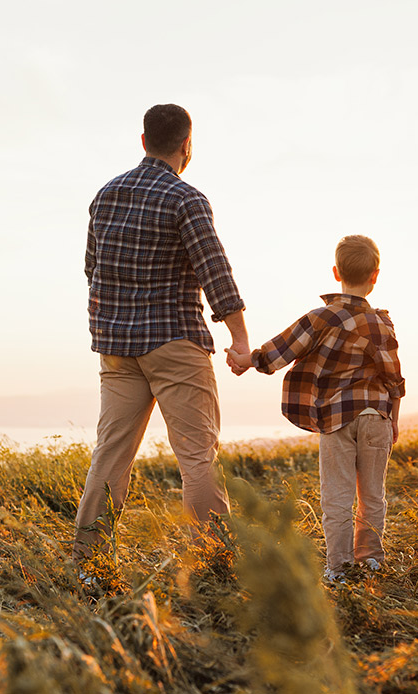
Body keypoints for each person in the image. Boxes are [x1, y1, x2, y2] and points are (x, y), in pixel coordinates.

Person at [75, 104, 249, 568]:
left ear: (143, 140)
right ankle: (214, 562)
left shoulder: (106, 195)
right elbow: (216, 273)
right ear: (186, 146)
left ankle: (88, 564)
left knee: (109, 455)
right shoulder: (185, 198)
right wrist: (240, 339)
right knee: (197, 456)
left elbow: (92, 268)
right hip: (174, 341)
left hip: (116, 347)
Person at [227, 236, 405, 583]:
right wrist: (393, 419)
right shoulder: (382, 323)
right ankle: (370, 560)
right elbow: (394, 377)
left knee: (337, 498)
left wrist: (246, 360)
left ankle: (338, 567)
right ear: (376, 276)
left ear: (336, 272)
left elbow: (281, 349)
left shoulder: (321, 317)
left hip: (336, 419)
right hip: (376, 417)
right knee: (373, 496)